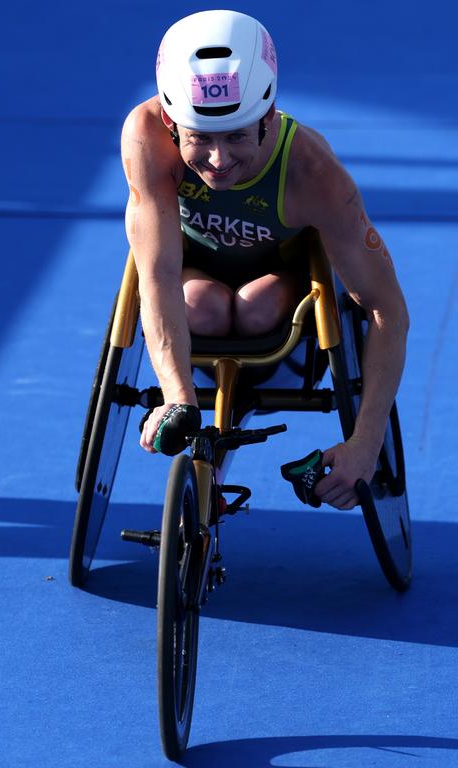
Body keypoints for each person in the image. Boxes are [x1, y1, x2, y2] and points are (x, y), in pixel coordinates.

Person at [121, 10, 408, 510]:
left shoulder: (315, 174)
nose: (217, 160)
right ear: (170, 123)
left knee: (256, 305)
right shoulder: (147, 135)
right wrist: (176, 396)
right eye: (199, 138)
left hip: (281, 308)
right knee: (201, 301)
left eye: (235, 135)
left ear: (269, 116)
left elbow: (386, 310)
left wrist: (366, 443)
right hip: (192, 287)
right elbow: (157, 272)